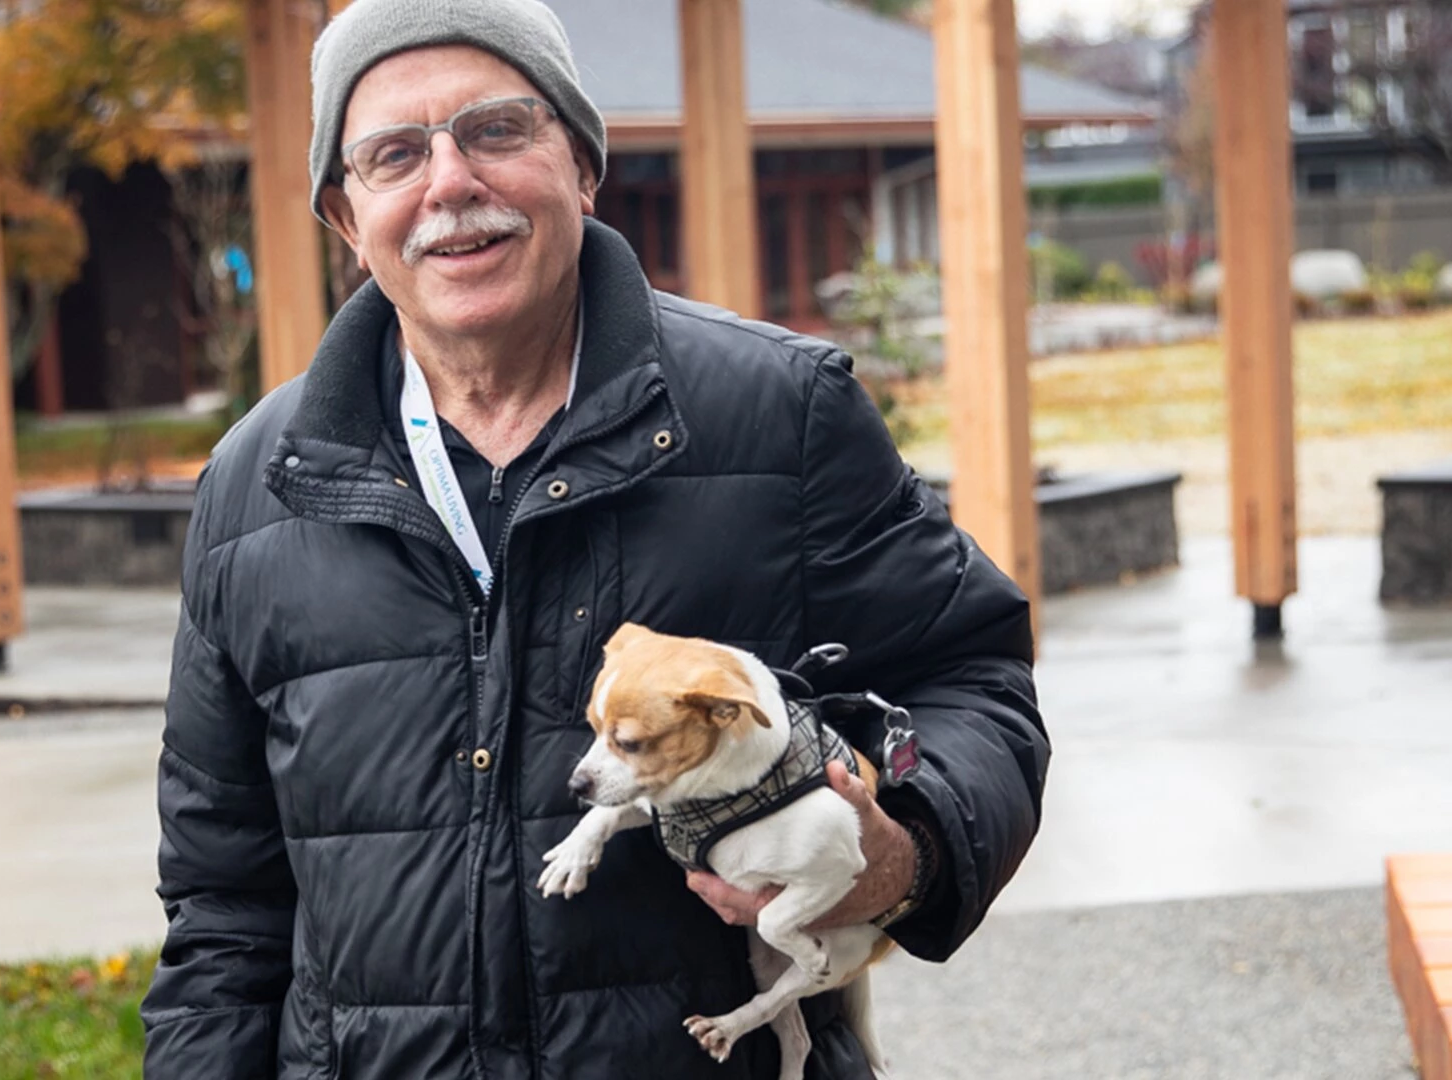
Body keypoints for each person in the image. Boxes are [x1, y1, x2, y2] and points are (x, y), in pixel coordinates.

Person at [139, 0, 1048, 1076]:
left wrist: (904, 854)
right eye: (393, 155)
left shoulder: (783, 416)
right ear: (346, 218)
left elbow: (973, 681)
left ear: (581, 163)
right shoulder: (255, 487)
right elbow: (222, 905)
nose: (449, 184)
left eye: (495, 129)